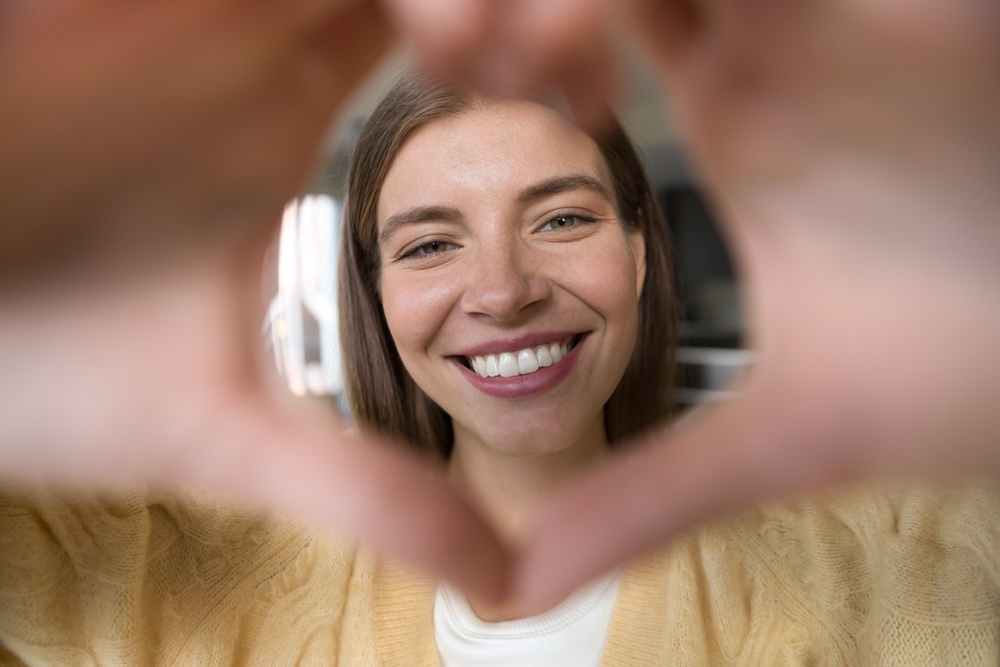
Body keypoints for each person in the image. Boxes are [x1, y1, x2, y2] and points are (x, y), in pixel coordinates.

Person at [2, 0, 1000, 616]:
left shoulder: (901, 558)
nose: (502, 290)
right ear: (378, 293)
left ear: (640, 253)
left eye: (560, 220)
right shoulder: (172, 584)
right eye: (430, 243)